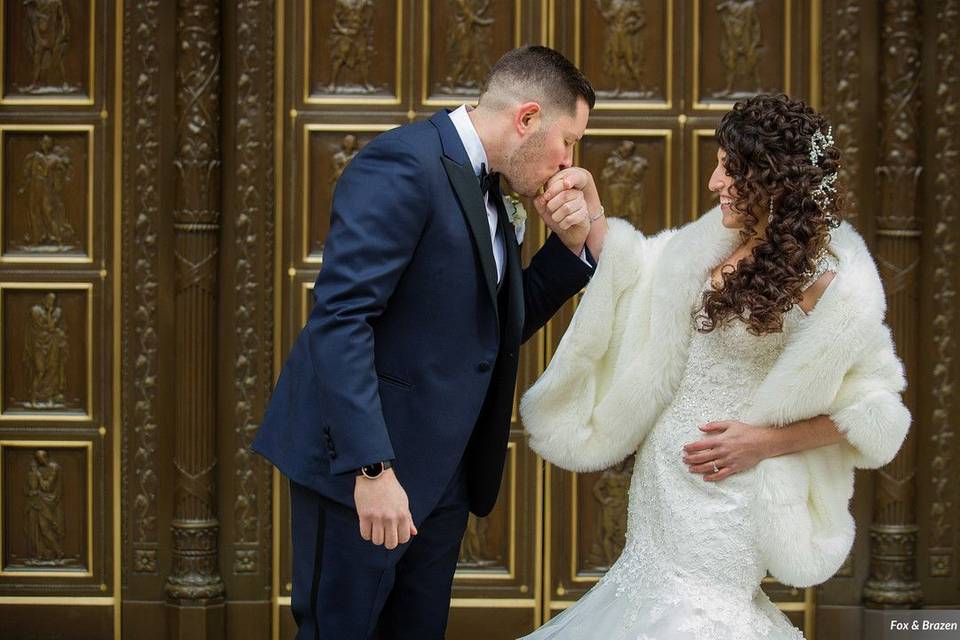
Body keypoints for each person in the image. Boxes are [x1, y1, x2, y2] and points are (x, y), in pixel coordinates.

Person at [519, 94, 910, 639]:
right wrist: (593, 212)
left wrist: (762, 442)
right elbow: (640, 277)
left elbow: (877, 411)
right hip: (663, 483)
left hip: (730, 493)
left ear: (769, 177)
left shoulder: (831, 280)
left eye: (729, 168)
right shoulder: (713, 239)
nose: (713, 182)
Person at [252, 46, 599, 640]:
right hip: (361, 471)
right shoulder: (402, 164)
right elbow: (341, 319)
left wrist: (569, 246)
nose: (569, 162)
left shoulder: (498, 189)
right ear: (527, 118)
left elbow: (489, 330)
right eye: (567, 141)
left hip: (442, 480)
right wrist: (372, 468)